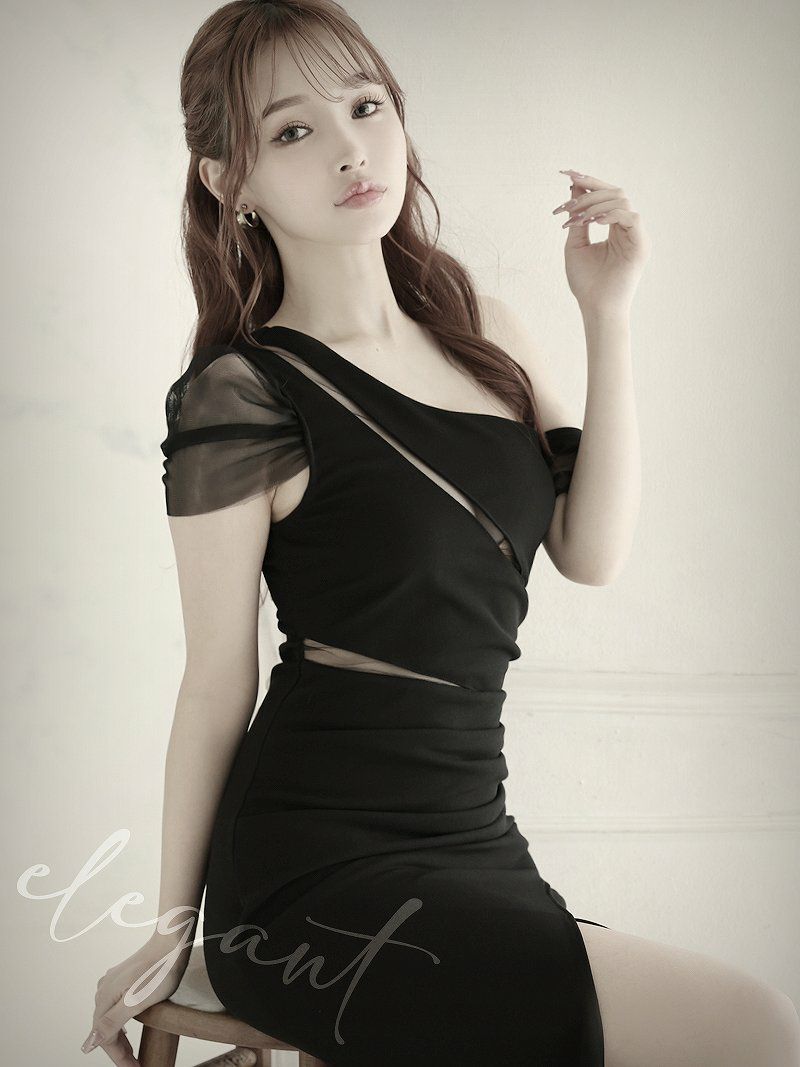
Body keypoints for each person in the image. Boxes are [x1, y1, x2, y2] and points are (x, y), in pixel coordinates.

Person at [83, 2, 800, 1065]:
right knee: (751, 1024)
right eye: (293, 130)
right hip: (309, 871)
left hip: (474, 835)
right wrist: (168, 928)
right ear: (229, 181)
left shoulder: (485, 339)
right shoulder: (244, 392)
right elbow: (215, 679)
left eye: (367, 107)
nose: (350, 148)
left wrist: (607, 312)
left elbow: (591, 550)